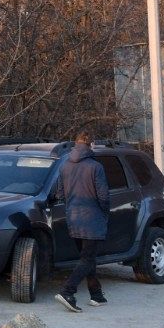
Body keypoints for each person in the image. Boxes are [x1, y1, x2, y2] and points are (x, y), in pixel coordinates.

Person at [54, 132, 110, 313]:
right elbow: (103, 196)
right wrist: (104, 213)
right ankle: (67, 291)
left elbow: (60, 195)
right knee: (87, 259)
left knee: (87, 258)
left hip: (74, 219)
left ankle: (97, 295)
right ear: (90, 144)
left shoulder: (64, 166)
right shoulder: (96, 167)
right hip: (92, 219)